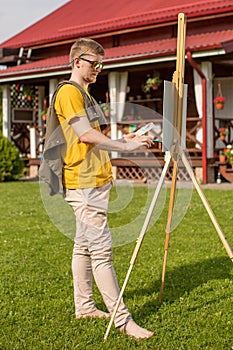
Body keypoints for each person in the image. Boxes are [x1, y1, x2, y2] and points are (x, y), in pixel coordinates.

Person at [44, 37, 154, 339]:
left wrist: (129, 141)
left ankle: (85, 306)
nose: (98, 69)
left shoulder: (85, 94)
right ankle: (123, 321)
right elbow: (84, 135)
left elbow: (96, 139)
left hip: (96, 181)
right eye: (94, 63)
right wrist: (124, 145)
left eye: (100, 65)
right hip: (83, 184)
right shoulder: (68, 92)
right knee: (102, 253)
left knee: (83, 247)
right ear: (77, 61)